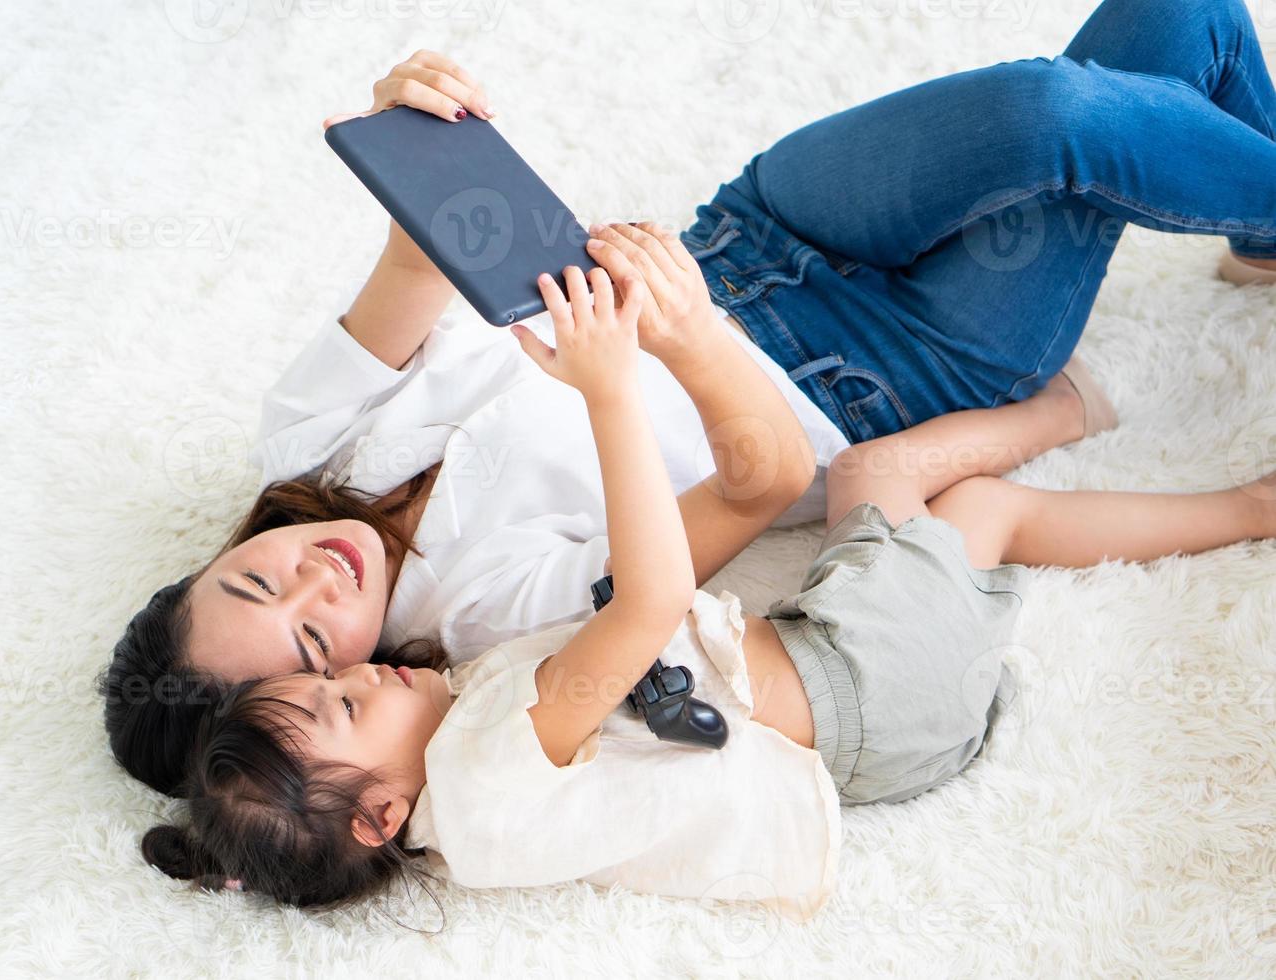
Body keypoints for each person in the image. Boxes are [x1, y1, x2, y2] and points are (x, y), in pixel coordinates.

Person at [100, 0, 1276, 796]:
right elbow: (761, 478)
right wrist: (685, 338)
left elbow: (421, 255)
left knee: (1126, 55)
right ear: (319, 686)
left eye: (258, 571)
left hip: (752, 235)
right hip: (886, 372)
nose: (320, 572)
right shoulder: (497, 620)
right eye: (313, 633)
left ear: (223, 551)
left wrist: (416, 131)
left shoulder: (304, 441)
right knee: (1090, 103)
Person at [135, 262, 1276, 915]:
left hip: (872, 732)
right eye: (342, 703)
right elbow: (645, 601)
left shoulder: (471, 821)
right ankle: (1128, 439)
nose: (360, 670)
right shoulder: (489, 752)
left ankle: (1203, 488)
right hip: (861, 678)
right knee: (892, 479)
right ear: (382, 809)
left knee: (962, 515)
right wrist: (609, 391)